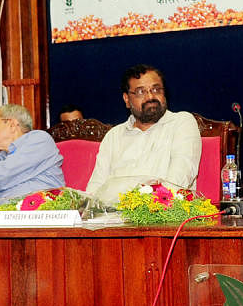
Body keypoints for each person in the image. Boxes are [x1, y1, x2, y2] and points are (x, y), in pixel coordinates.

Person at [84, 65, 201, 205]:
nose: (151, 96)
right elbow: (95, 188)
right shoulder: (114, 136)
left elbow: (177, 182)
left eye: (156, 89)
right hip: (110, 218)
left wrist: (139, 207)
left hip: (162, 216)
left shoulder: (181, 123)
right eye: (141, 92)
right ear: (127, 99)